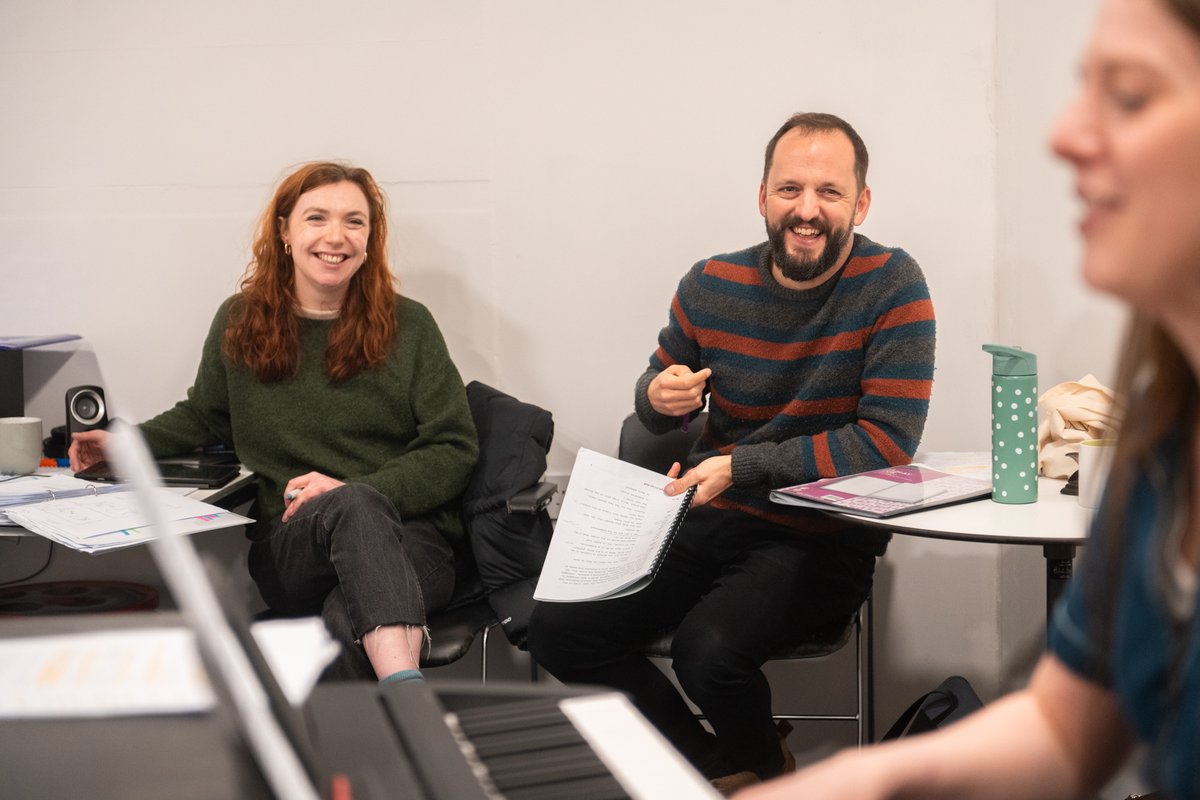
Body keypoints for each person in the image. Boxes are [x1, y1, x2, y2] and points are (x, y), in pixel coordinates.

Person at [739, 1, 1200, 798]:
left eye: (1127, 95)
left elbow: (884, 438)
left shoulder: (893, 284)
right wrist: (854, 781)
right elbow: (1066, 726)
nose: (1063, 134)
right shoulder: (1162, 445)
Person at [527, 112, 936, 794]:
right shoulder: (710, 283)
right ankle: (720, 765)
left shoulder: (892, 284)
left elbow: (886, 441)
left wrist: (744, 467)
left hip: (822, 536)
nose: (807, 210)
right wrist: (661, 394)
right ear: (762, 196)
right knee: (558, 631)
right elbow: (654, 398)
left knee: (708, 651)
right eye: (790, 189)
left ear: (861, 203)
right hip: (709, 516)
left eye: (829, 192)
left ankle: (761, 771)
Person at [69, 161, 479, 685]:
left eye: (355, 222)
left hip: (410, 539)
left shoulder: (410, 325)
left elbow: (453, 446)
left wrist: (359, 489)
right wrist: (123, 443)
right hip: (292, 543)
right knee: (348, 511)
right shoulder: (242, 321)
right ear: (284, 231)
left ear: (370, 238)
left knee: (342, 617)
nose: (336, 237)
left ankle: (357, 749)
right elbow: (205, 415)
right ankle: (415, 713)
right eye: (317, 218)